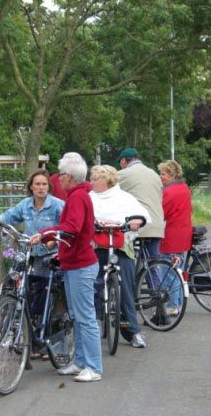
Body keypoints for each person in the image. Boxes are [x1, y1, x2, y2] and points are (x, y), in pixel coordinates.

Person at [30, 152, 101, 382]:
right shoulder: (76, 195)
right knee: (77, 315)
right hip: (73, 263)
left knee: (86, 316)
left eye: (60, 174)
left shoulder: (78, 197)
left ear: (69, 176)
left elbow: (72, 227)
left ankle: (94, 366)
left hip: (81, 264)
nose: (57, 178)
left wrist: (44, 234)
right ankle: (80, 362)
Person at [0, 169, 64, 358]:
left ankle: (47, 339)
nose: (40, 188)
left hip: (49, 257)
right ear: (31, 187)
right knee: (21, 291)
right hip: (30, 255)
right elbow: (10, 216)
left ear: (49, 187)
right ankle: (22, 331)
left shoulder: (57, 206)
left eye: (44, 184)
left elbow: (65, 227)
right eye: (37, 184)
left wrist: (54, 239)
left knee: (46, 296)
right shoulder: (25, 205)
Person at [88, 165, 150, 348]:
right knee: (93, 284)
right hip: (97, 246)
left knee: (126, 289)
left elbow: (143, 215)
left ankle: (133, 331)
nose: (91, 182)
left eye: (95, 179)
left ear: (106, 181)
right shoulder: (89, 198)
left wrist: (136, 221)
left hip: (121, 245)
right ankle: (96, 323)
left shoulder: (124, 198)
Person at [157, 160, 192, 314]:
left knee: (169, 272)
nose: (161, 177)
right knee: (178, 270)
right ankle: (177, 303)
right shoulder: (184, 188)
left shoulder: (169, 192)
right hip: (184, 233)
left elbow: (161, 212)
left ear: (171, 175)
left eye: (163, 174)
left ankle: (172, 306)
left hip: (172, 235)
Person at [117, 148, 165, 260]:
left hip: (138, 225)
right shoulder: (154, 174)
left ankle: (129, 276)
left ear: (124, 160)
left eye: (120, 162)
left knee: (123, 257)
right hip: (157, 226)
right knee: (152, 265)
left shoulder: (122, 174)